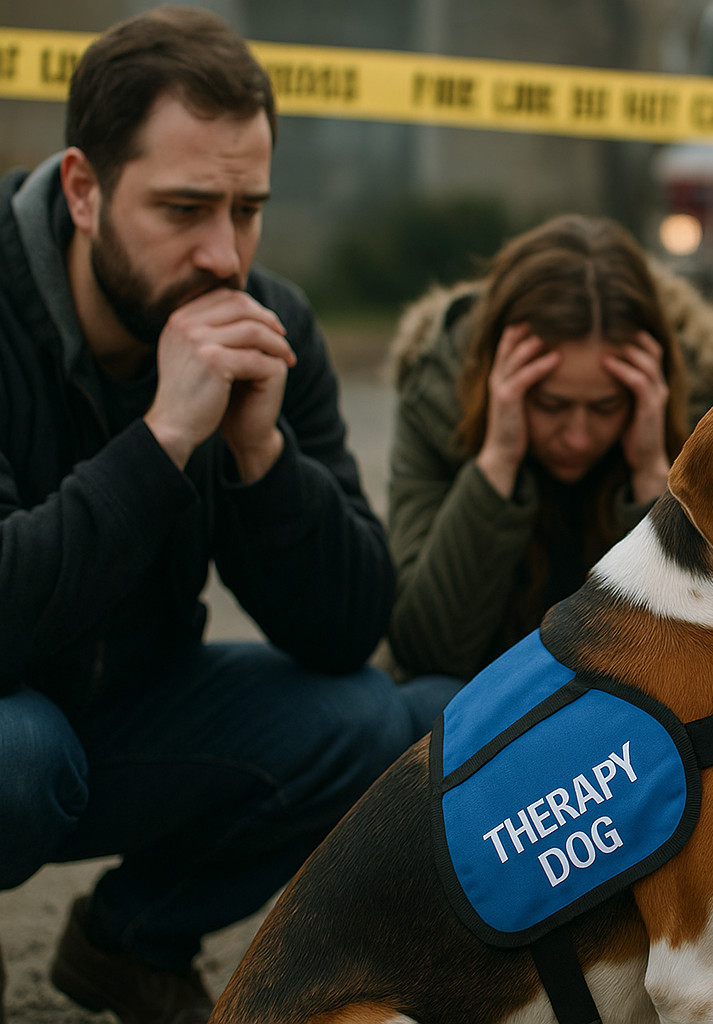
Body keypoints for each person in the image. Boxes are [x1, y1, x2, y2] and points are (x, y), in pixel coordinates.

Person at [0, 8, 444, 1023]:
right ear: (82, 188)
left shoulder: (270, 322)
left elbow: (345, 627)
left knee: (374, 723)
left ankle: (130, 941)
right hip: (13, 727)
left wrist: (259, 454)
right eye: (185, 208)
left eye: (247, 209)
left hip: (126, 713)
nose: (222, 255)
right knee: (16, 756)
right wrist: (160, 442)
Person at [386, 213, 713, 683]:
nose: (577, 436)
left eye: (605, 406)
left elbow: (705, 655)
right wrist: (496, 465)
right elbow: (427, 649)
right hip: (467, 697)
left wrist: (655, 476)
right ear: (499, 377)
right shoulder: (437, 398)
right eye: (551, 404)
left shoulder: (702, 410)